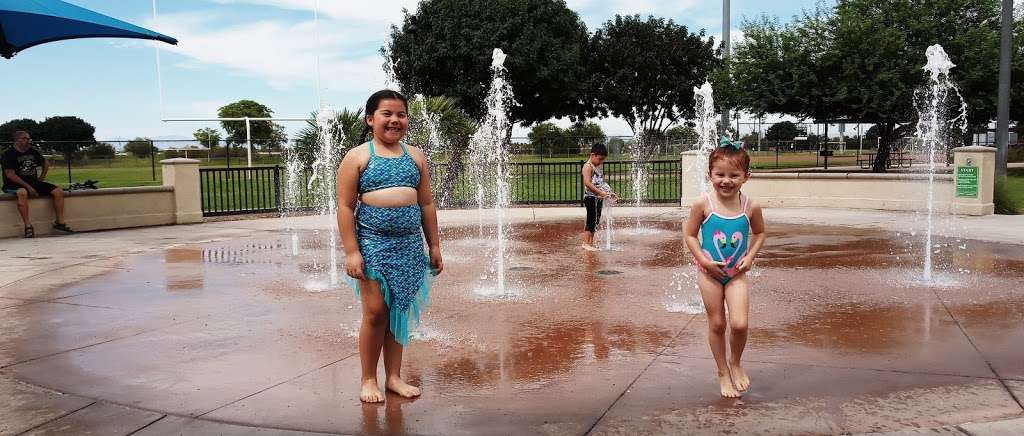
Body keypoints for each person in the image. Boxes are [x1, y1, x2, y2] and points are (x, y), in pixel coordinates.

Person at [336, 90, 443, 403]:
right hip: (372, 243)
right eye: (387, 113)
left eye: (401, 114)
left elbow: (426, 203)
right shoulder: (358, 156)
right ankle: (368, 379)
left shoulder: (416, 156)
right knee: (375, 312)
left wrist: (434, 244)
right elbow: (344, 207)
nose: (395, 120)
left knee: (399, 309)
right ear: (371, 119)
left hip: (409, 246)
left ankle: (393, 376)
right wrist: (352, 251)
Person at [683, 137, 766, 398]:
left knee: (739, 324)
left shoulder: (750, 206)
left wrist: (750, 257)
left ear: (746, 177)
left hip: (737, 274)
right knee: (718, 323)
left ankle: (736, 362)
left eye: (734, 175)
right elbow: (690, 235)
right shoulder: (703, 204)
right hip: (709, 272)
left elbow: (760, 233)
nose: (726, 180)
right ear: (710, 175)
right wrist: (704, 260)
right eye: (720, 174)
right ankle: (722, 371)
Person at [2, 131, 73, 238]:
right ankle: (28, 226)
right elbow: (10, 175)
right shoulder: (8, 154)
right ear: (18, 140)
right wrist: (29, 187)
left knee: (57, 191)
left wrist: (41, 178)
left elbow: (45, 163)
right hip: (13, 184)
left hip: (33, 182)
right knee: (22, 192)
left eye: (29, 138)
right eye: (26, 138)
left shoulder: (32, 151)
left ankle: (60, 223)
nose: (28, 140)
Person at [581, 143, 617, 251]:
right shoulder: (588, 167)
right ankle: (585, 243)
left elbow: (601, 183)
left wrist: (610, 192)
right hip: (590, 198)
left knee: (596, 220)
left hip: (598, 198)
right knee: (591, 220)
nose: (601, 162)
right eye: (600, 159)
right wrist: (600, 193)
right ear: (593, 155)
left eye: (603, 160)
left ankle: (590, 243)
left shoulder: (597, 167)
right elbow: (587, 183)